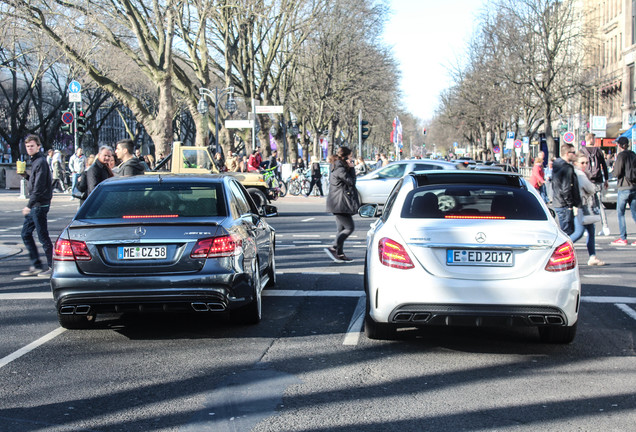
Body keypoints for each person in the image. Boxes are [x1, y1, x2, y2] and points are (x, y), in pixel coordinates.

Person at [19, 135, 53, 277]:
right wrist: (26, 176)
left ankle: (52, 267)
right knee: (26, 234)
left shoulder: (40, 162)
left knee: (43, 237)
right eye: (27, 146)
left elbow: (38, 188)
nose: (29, 148)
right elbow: (35, 182)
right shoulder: (36, 161)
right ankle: (37, 265)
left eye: (32, 146)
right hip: (37, 204)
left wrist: (29, 205)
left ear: (38, 146)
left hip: (39, 205)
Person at [325, 146, 359, 263]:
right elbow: (351, 182)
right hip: (340, 202)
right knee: (349, 228)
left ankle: (340, 253)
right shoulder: (340, 168)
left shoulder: (339, 166)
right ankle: (334, 247)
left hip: (339, 202)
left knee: (341, 229)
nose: (352, 158)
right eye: (350, 156)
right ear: (345, 156)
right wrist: (352, 169)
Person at [571, 152, 605, 265]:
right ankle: (559, 249)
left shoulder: (576, 173)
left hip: (583, 207)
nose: (585, 165)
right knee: (579, 232)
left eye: (586, 162)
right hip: (582, 207)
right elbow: (590, 188)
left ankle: (592, 256)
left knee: (590, 230)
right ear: (576, 163)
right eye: (582, 163)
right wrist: (594, 186)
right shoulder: (580, 174)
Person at [610, 136, 636, 246]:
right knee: (635, 214)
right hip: (634, 187)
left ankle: (623, 238)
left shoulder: (621, 156)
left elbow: (617, 172)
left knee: (620, 213)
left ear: (620, 145)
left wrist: (614, 169)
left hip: (624, 187)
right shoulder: (633, 154)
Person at [551, 143, 581, 236]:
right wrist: (570, 204)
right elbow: (566, 188)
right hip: (564, 204)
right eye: (573, 152)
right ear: (567, 153)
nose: (575, 154)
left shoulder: (556, 164)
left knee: (566, 231)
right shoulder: (567, 168)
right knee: (568, 232)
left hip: (558, 201)